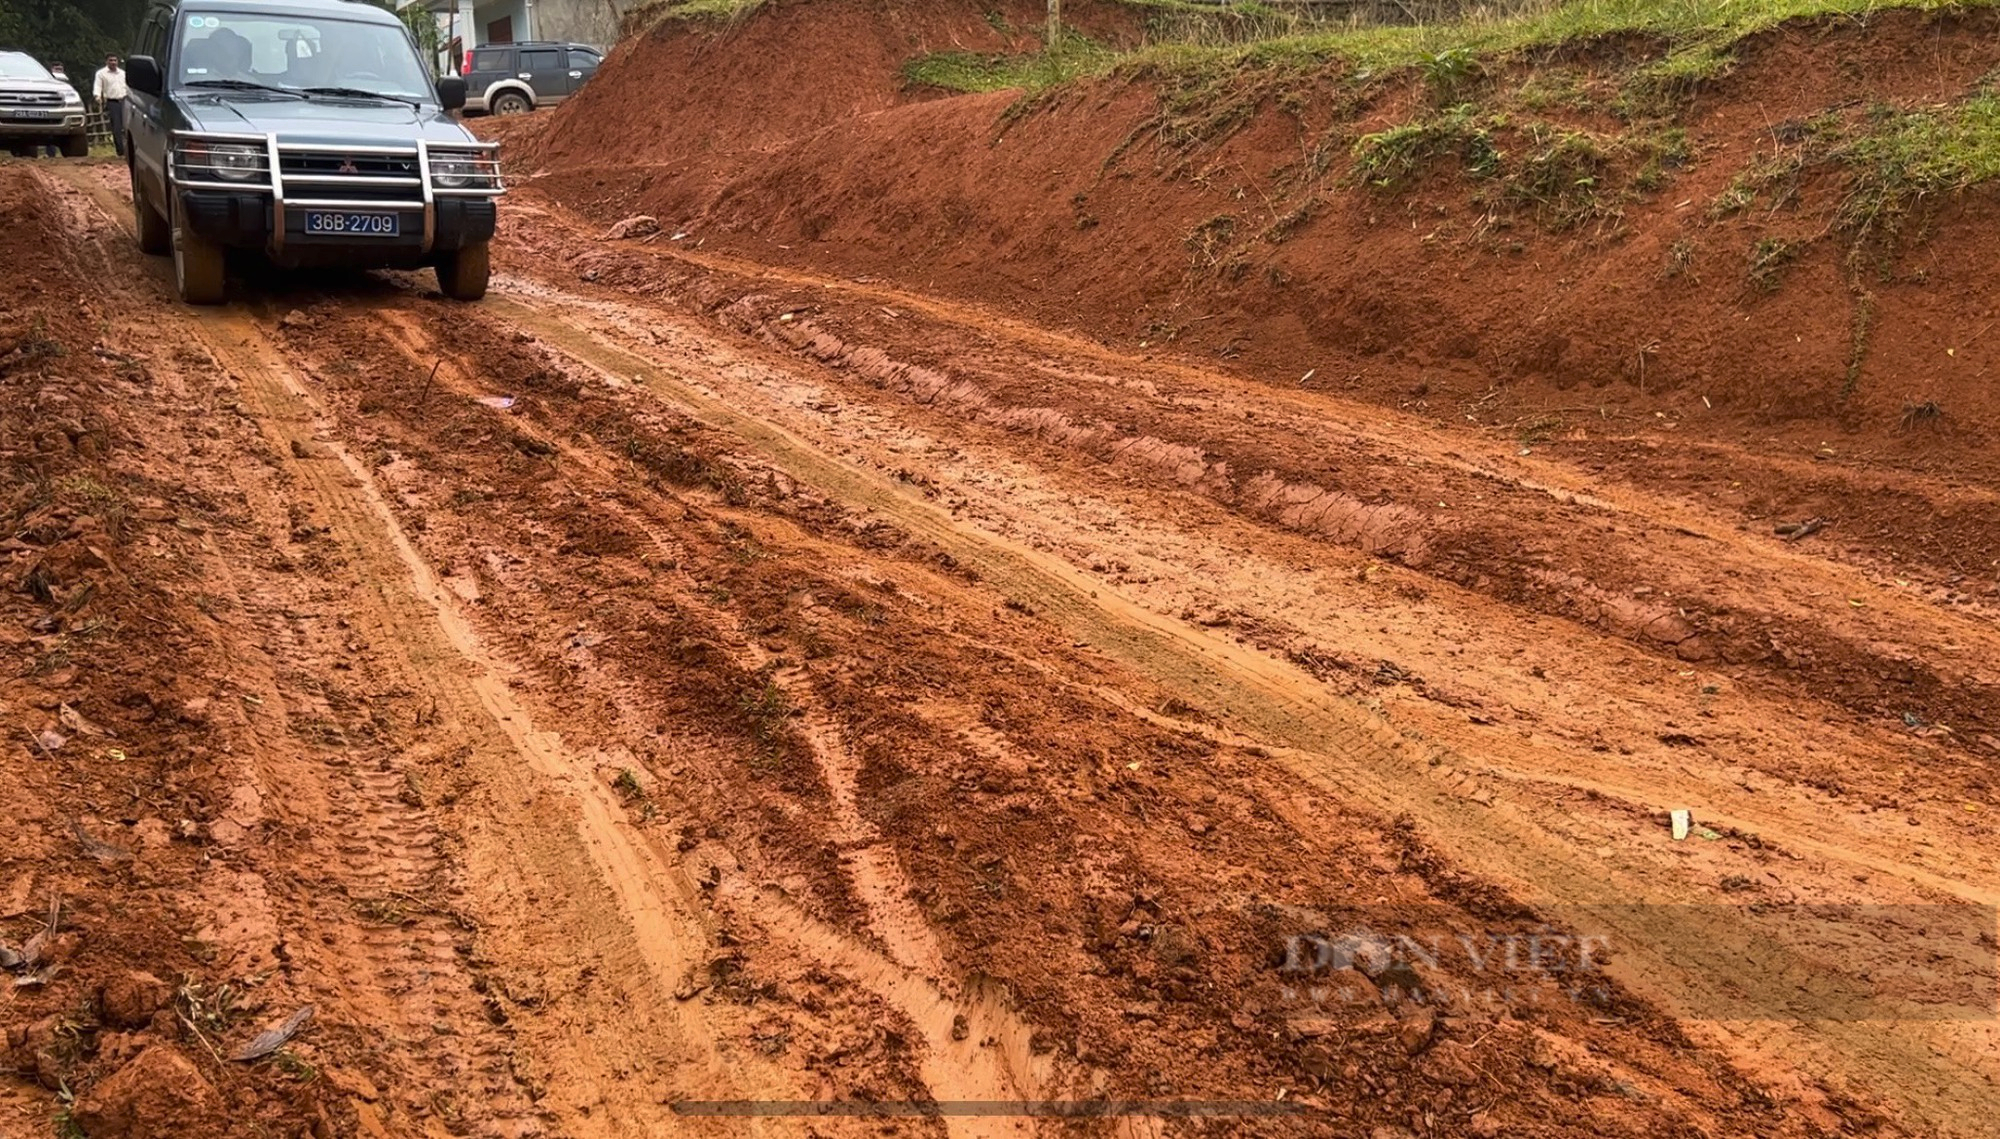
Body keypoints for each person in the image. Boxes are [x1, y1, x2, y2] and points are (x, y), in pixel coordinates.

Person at [93, 55, 127, 158]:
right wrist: (97, 96)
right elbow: (98, 86)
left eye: (115, 60)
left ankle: (129, 151)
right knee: (117, 126)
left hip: (125, 101)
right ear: (106, 61)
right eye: (111, 60)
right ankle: (120, 152)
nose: (113, 62)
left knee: (127, 126)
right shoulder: (101, 73)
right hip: (113, 102)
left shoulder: (122, 73)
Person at [42, 62, 73, 157]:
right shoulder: (46, 81)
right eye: (56, 69)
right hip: (50, 108)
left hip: (63, 108)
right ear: (51, 70)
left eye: (60, 69)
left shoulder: (66, 80)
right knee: (50, 132)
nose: (58, 71)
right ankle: (51, 154)